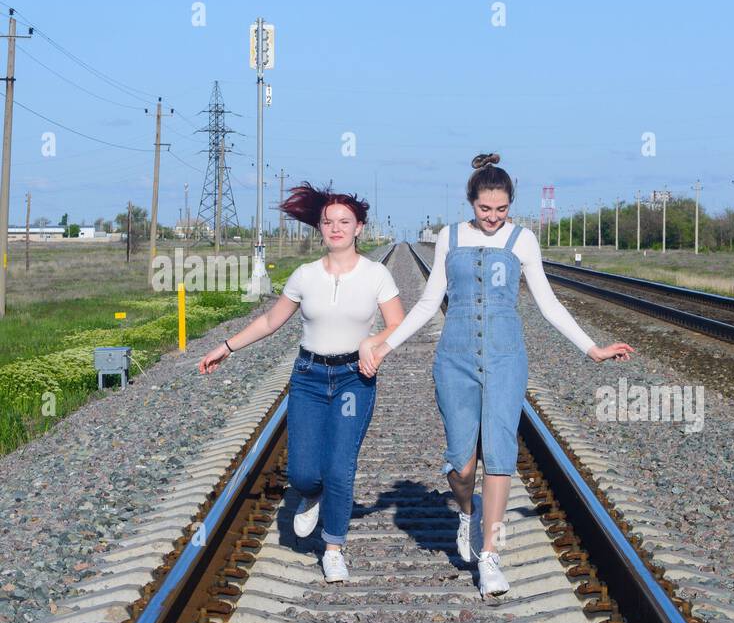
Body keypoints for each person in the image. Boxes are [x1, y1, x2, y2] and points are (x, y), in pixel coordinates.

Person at [360, 153, 633, 597]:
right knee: (462, 464)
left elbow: (549, 304)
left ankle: (490, 555)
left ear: (511, 204)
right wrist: (385, 346)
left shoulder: (524, 242)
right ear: (472, 202)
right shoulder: (450, 238)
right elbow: (429, 305)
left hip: (507, 359)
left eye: (501, 209)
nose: (493, 217)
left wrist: (592, 348)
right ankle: (466, 512)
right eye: (485, 209)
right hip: (455, 359)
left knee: (501, 455)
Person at [199, 183, 406, 582]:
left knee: (340, 467)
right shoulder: (304, 275)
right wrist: (227, 346)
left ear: (360, 227)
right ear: (319, 228)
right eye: (328, 222)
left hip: (353, 379)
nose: (336, 228)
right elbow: (269, 321)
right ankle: (312, 494)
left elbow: (398, 324)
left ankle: (333, 548)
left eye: (345, 221)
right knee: (302, 473)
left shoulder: (376, 275)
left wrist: (373, 343)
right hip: (309, 378)